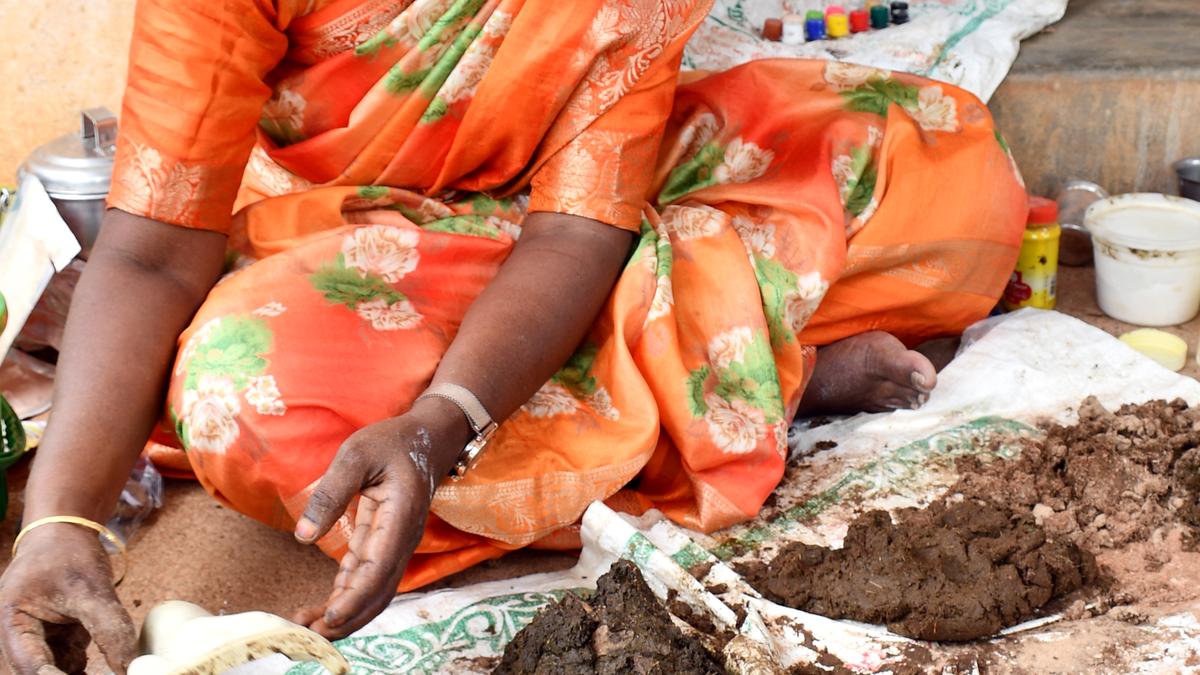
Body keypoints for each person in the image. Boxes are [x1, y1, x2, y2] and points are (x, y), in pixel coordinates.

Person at [0, 0, 1027, 672]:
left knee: (948, 171)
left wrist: (444, 420)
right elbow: (150, 254)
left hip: (567, 234)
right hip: (342, 244)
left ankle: (728, 366)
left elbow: (576, 227)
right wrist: (59, 522)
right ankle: (741, 369)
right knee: (245, 393)